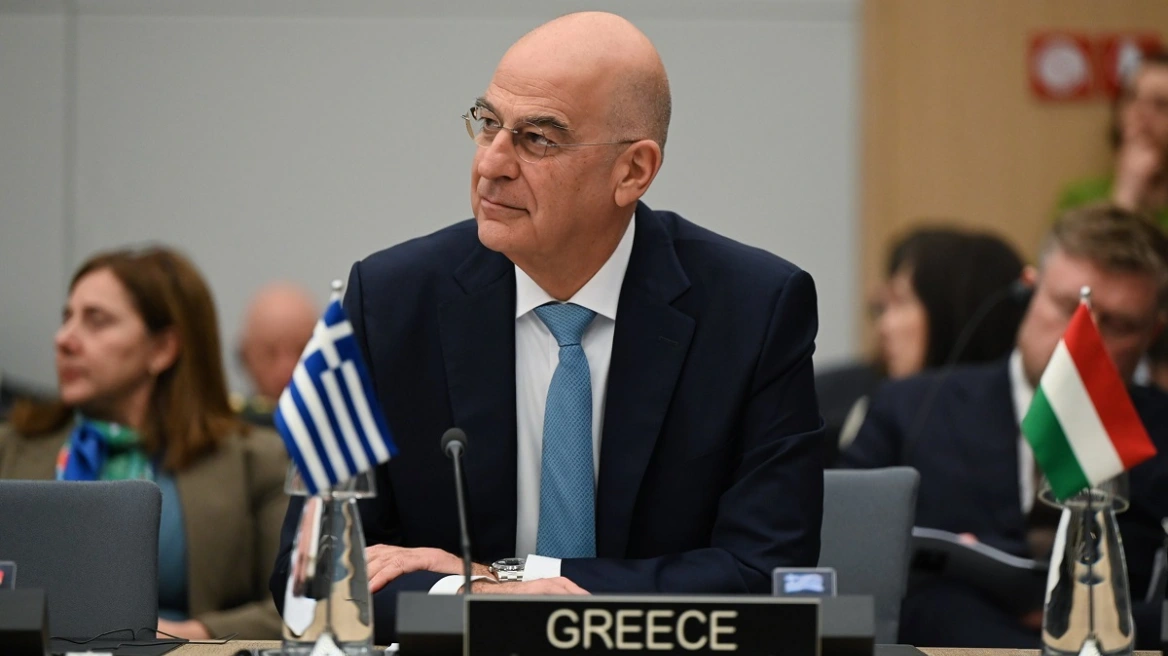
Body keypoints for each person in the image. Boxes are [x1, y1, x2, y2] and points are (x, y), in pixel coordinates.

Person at [270, 11, 824, 643]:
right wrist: (477, 595)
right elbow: (310, 573)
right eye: (488, 124)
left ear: (633, 171)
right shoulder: (390, 303)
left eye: (537, 139)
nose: (492, 163)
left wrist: (512, 582)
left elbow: (767, 575)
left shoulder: (753, 311)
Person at [840, 204, 1168, 648]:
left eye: (1119, 325)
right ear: (1028, 290)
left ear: (1151, 334)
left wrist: (1100, 616)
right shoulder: (912, 408)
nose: (1084, 340)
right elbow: (842, 558)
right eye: (1068, 308)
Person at [0, 246, 289, 640]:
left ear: (162, 349)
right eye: (67, 318)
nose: (64, 339)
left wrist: (188, 634)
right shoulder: (10, 449)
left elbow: (300, 605)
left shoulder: (256, 461)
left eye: (96, 321)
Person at [818, 226, 1027, 456]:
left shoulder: (1012, 438)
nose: (884, 326)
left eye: (902, 302)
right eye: (884, 307)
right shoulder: (854, 405)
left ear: (951, 315)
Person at [234, 282, 318, 426]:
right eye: (270, 353)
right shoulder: (228, 433)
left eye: (301, 350)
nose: (287, 369)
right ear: (245, 358)